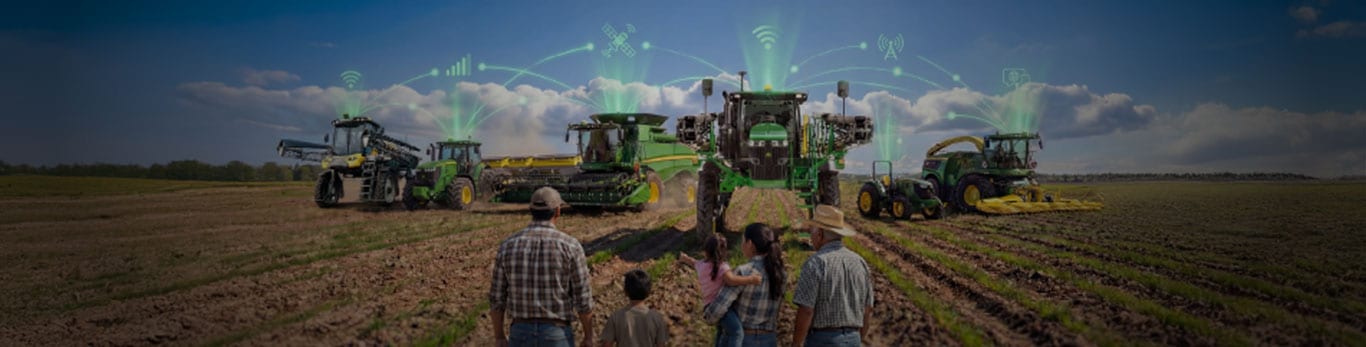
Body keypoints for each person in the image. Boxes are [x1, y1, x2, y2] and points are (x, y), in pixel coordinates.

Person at [489, 187, 593, 347]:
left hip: (520, 333)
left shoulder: (508, 246)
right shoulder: (571, 246)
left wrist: (499, 336)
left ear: (531, 210)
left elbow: (497, 298)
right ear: (558, 211)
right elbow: (583, 298)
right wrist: (588, 336)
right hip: (557, 334)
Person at [791, 205, 875, 347]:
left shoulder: (816, 263)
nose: (811, 236)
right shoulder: (860, 262)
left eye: (812, 231)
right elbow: (868, 309)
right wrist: (857, 339)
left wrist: (796, 344)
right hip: (853, 338)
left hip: (823, 340)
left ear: (820, 234)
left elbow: (806, 310)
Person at [702, 223, 787, 347]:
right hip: (769, 340)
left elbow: (716, 312)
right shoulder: (781, 274)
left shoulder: (743, 272)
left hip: (743, 340)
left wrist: (707, 312)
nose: (741, 246)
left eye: (743, 241)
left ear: (750, 244)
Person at [678, 234, 762, 345]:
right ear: (723, 252)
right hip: (721, 307)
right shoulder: (722, 267)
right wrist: (751, 279)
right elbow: (732, 280)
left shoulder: (701, 265)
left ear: (706, 251)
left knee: (722, 332)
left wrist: (684, 258)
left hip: (709, 307)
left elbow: (693, 262)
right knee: (737, 333)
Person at [599, 269, 670, 347]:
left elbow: (607, 345)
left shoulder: (615, 317)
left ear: (625, 291)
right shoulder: (657, 318)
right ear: (648, 292)